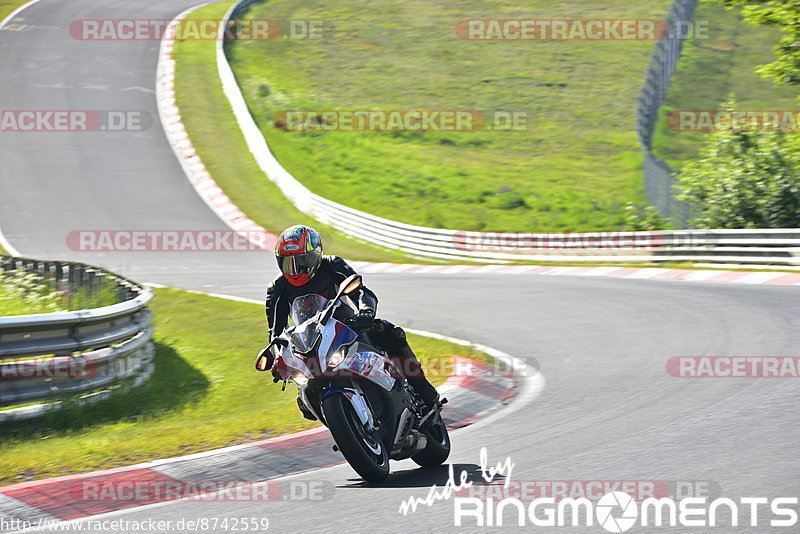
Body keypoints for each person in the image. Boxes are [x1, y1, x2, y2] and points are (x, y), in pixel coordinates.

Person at [263, 224, 439, 409]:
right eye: (287, 263)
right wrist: (277, 357)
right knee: (305, 395)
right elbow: (275, 332)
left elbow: (361, 291)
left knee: (392, 334)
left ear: (315, 254)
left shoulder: (332, 265)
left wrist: (366, 311)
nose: (295, 269)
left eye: (302, 261)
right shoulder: (277, 287)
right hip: (311, 341)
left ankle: (425, 391)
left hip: (349, 326)